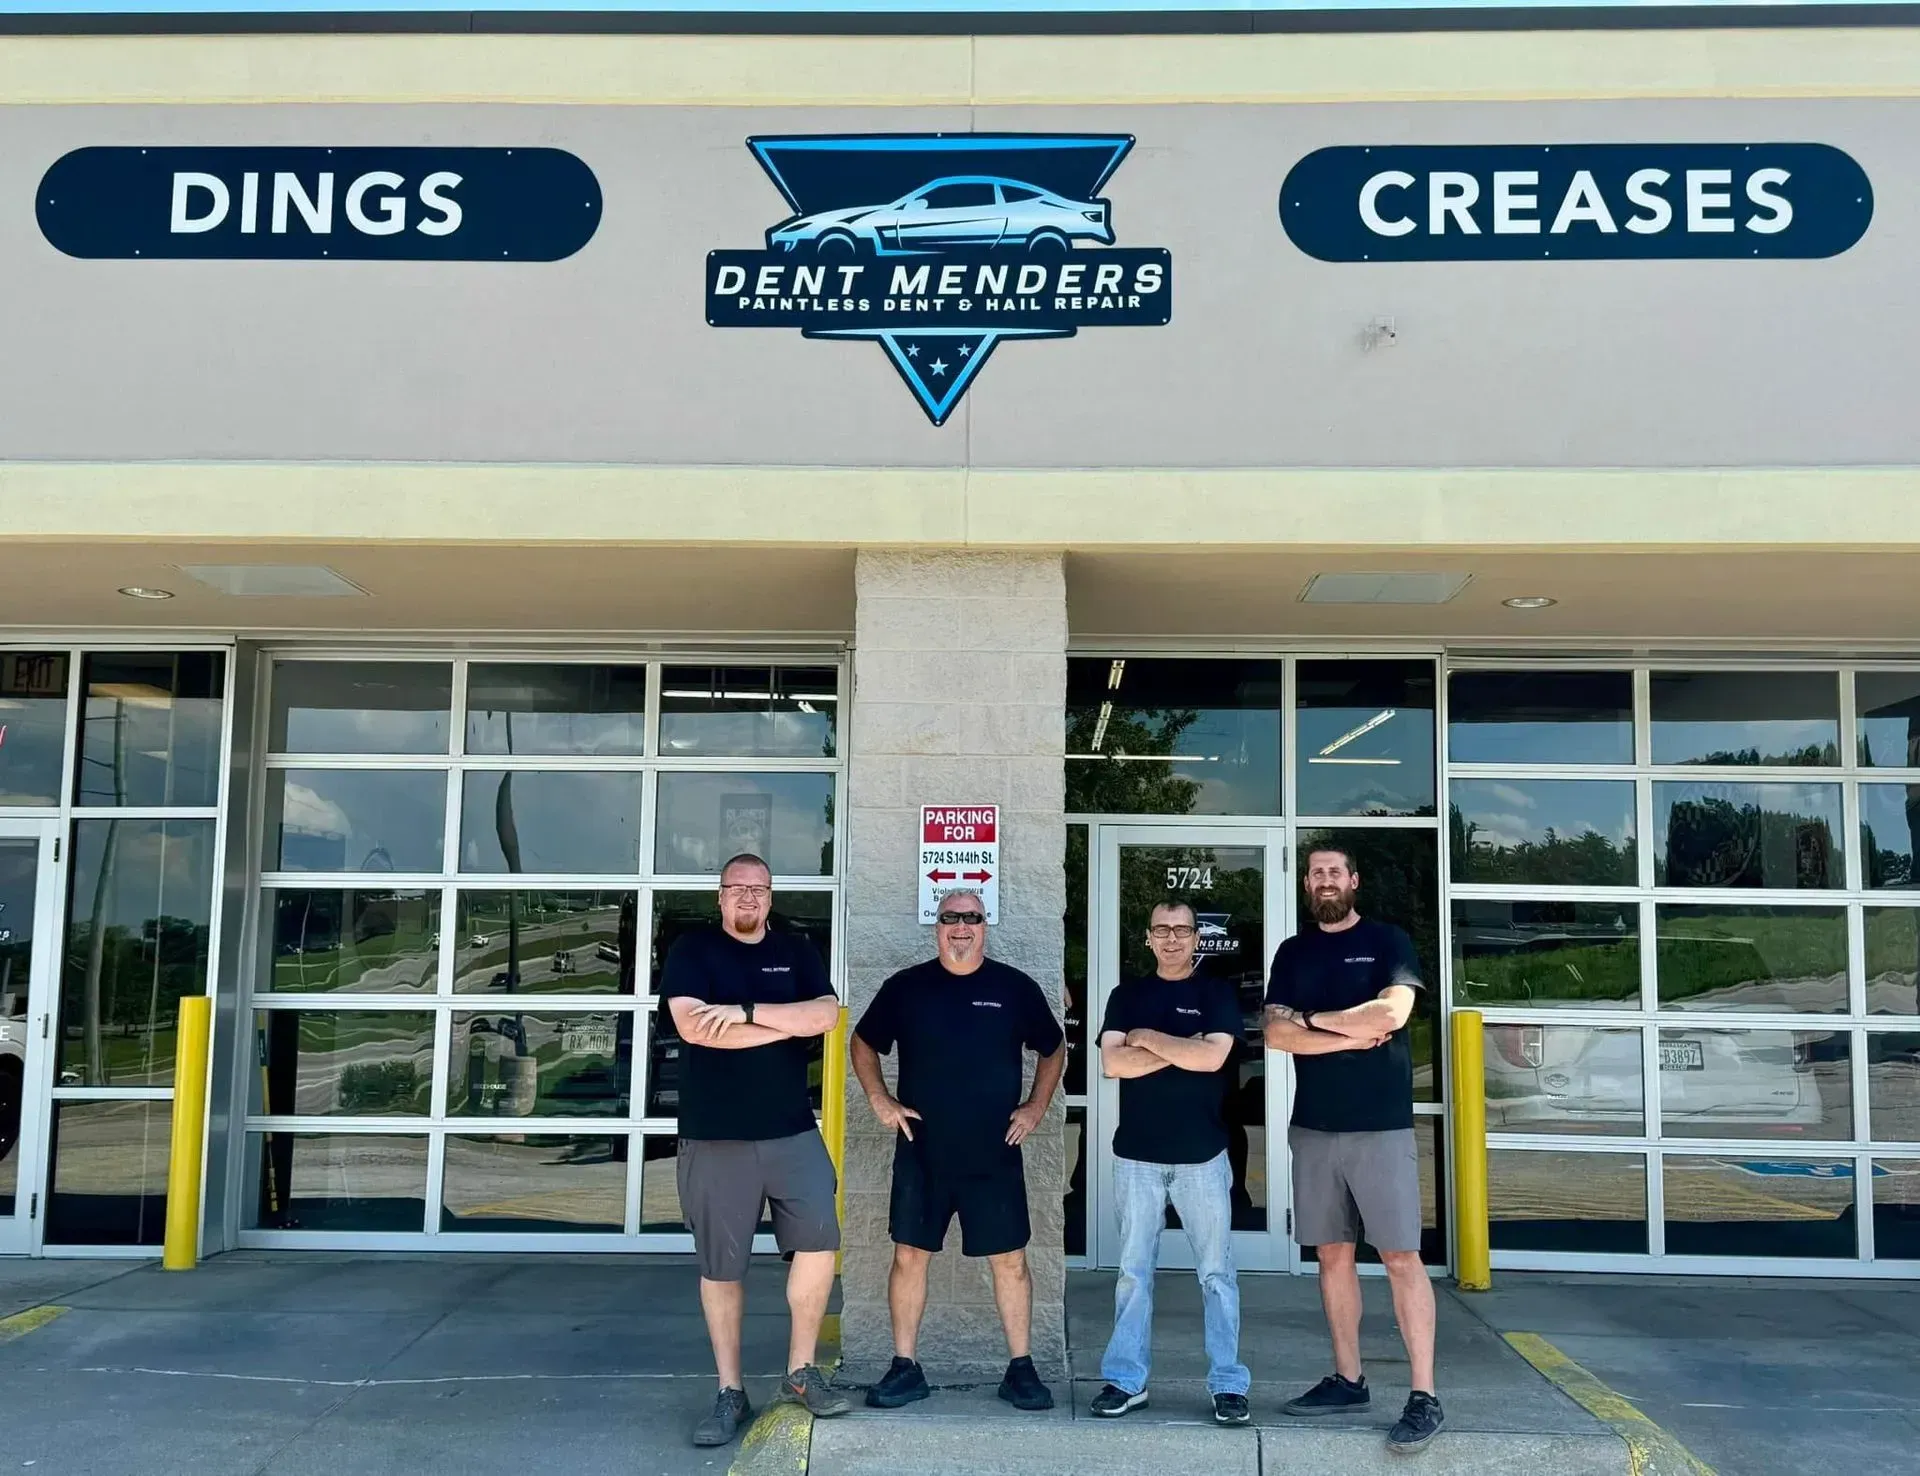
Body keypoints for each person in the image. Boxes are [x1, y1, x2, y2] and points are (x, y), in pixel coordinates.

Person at [660, 853, 851, 1448]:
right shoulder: (693, 952)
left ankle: (800, 1372)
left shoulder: (796, 951)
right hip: (714, 1136)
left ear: (771, 897)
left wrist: (744, 1014)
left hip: (792, 1131)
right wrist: (786, 1024)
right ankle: (729, 1391)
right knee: (722, 1267)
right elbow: (693, 1027)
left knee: (820, 1242)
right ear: (719, 896)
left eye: (758, 889)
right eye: (736, 889)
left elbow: (825, 1014)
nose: (748, 898)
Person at [851, 889, 1067, 1413]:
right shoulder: (906, 988)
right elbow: (862, 1042)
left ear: (984, 925)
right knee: (908, 1257)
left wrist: (1035, 1107)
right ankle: (905, 1368)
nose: (961, 927)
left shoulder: (1014, 988)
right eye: (951, 918)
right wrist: (881, 1100)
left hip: (993, 1151)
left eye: (971, 918)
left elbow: (1054, 1048)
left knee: (1011, 1261)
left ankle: (1020, 1369)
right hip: (922, 1150)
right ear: (937, 926)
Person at [1263, 846, 1443, 1455]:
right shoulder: (1293, 952)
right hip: (1314, 1128)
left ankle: (1423, 1395)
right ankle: (1348, 1379)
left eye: (1334, 871)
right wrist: (1339, 1024)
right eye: (1316, 873)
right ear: (1308, 884)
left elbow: (1391, 1013)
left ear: (1354, 881)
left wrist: (1314, 1022)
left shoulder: (1389, 942)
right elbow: (1277, 1033)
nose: (1325, 881)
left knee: (1399, 1257)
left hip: (1380, 1127)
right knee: (1333, 1256)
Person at [1089, 899, 1251, 1426]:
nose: (1173, 939)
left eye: (1183, 930)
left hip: (1202, 1157)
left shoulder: (1215, 992)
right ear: (1149, 936)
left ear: (1196, 937)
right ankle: (1125, 1380)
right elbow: (1113, 1063)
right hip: (1136, 1157)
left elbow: (1213, 1058)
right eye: (1163, 929)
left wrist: (1151, 1040)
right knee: (1133, 1275)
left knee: (1217, 1275)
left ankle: (1228, 1383)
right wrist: (1187, 1046)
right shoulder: (1126, 994)